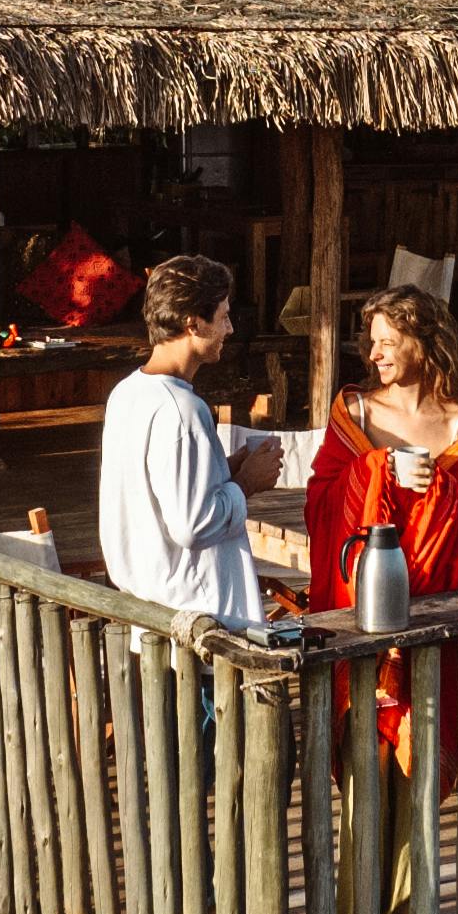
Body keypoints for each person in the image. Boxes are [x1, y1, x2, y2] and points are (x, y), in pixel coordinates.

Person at [303, 286, 458, 615]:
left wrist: (444, 489)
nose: (373, 355)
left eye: (388, 343)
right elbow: (319, 506)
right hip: (363, 603)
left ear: (423, 345)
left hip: (439, 609)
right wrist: (374, 468)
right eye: (372, 343)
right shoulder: (355, 415)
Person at [97, 252, 268, 633]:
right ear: (194, 323)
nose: (230, 329)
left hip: (148, 611)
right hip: (194, 619)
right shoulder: (181, 409)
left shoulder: (127, 393)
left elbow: (165, 494)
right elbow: (194, 525)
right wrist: (246, 484)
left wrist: (226, 468)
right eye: (223, 317)